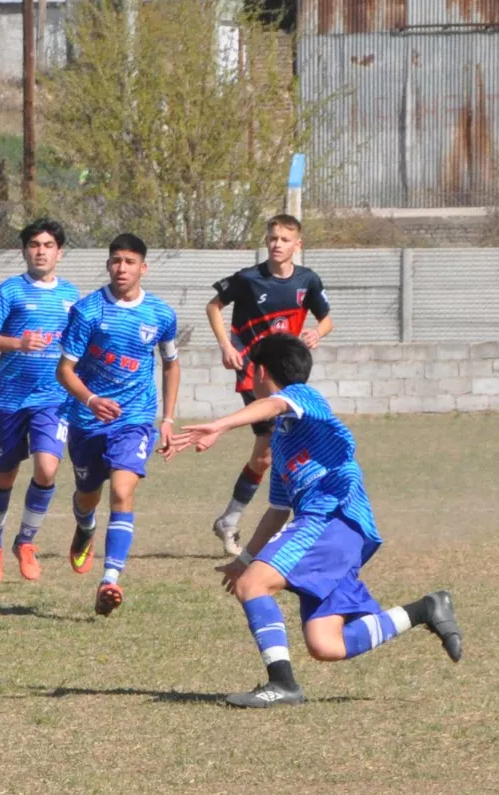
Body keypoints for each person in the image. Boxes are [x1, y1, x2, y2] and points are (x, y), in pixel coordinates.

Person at [171, 333, 462, 708]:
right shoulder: (282, 441)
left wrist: (221, 425)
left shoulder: (304, 397)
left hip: (333, 517)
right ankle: (427, 608)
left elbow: (277, 403)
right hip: (336, 532)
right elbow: (277, 510)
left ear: (260, 371)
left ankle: (282, 685)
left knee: (254, 586)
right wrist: (243, 560)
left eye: (249, 374)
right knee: (326, 644)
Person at [56, 233, 181, 616]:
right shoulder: (87, 311)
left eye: (129, 262)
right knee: (88, 496)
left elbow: (171, 363)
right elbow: (65, 371)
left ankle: (110, 580)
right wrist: (91, 400)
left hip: (135, 419)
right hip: (86, 420)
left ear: (143, 267)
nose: (121, 268)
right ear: (108, 265)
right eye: (115, 261)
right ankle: (86, 527)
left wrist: (168, 419)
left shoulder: (161, 314)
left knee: (123, 491)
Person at [207, 214, 333, 557]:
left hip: (288, 373)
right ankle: (288, 523)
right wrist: (226, 345)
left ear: (297, 245)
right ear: (266, 241)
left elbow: (327, 319)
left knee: (266, 456)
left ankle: (231, 520)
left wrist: (316, 333)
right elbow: (213, 306)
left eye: (285, 239)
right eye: (273, 238)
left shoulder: (308, 281)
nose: (277, 244)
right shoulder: (249, 279)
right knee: (276, 447)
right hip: (255, 372)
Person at [0, 218, 79, 582]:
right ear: (24, 251)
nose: (41, 251)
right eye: (34, 244)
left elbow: (81, 345)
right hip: (10, 398)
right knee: (5, 475)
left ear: (59, 253)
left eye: (48, 245)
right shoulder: (10, 291)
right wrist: (18, 342)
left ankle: (27, 542)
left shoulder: (72, 296)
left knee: (47, 469)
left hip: (54, 398)